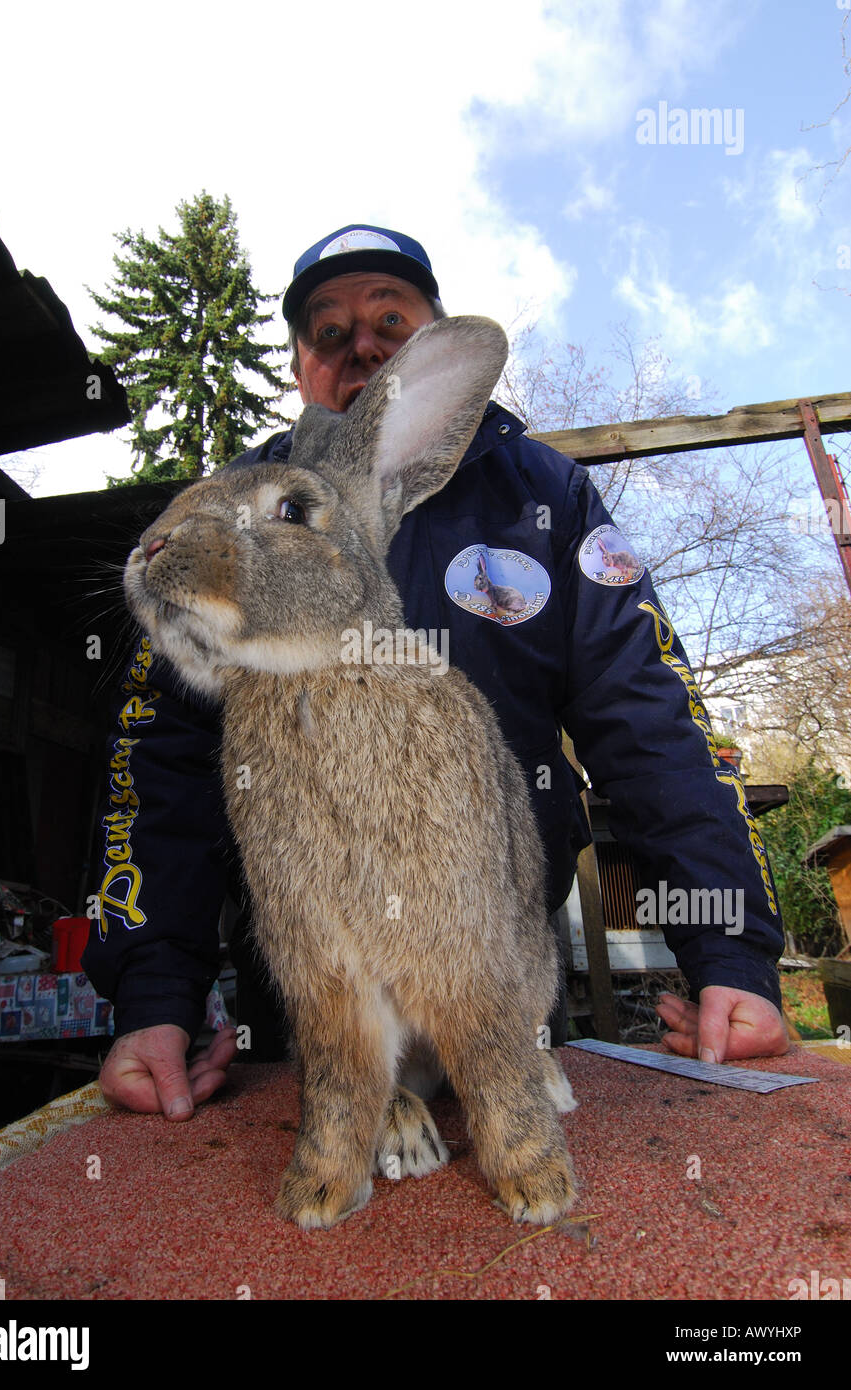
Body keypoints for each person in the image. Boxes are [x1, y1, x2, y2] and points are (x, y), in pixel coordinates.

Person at [84, 223, 789, 1120]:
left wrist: (728, 956)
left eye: (391, 320)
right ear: (301, 365)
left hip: (497, 968)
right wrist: (154, 1001)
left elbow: (645, 717)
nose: (361, 346)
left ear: (436, 354)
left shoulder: (542, 495)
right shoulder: (229, 513)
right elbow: (160, 761)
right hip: (310, 992)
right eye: (328, 332)